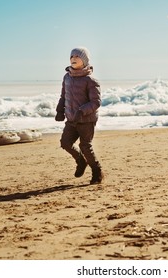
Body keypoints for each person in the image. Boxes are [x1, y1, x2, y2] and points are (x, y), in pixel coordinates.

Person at [55, 47, 103, 184]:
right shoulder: (67, 77)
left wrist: (82, 111)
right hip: (71, 119)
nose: (73, 58)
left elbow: (96, 102)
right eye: (71, 56)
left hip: (87, 120)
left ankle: (97, 170)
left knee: (85, 146)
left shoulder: (91, 81)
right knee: (65, 143)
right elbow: (63, 96)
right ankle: (81, 161)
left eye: (77, 56)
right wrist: (59, 111)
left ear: (85, 60)